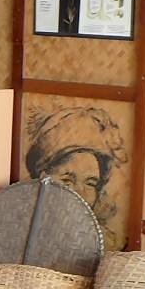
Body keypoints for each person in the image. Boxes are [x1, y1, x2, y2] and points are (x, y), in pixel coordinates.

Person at [23, 104, 128, 245]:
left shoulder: (102, 242)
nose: (80, 193)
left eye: (90, 183)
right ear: (42, 178)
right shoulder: (19, 230)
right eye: (67, 181)